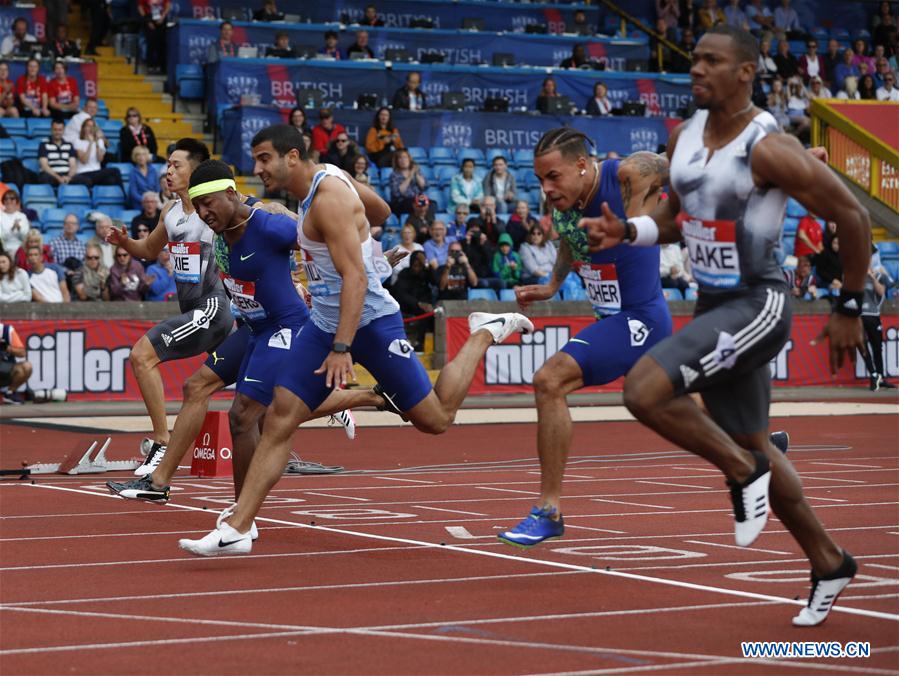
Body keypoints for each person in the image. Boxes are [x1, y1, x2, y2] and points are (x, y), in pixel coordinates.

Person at [578, 25, 865, 627]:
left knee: (644, 390)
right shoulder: (682, 138)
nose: (697, 69)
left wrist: (849, 305)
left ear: (746, 73)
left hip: (758, 302)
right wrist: (630, 231)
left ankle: (742, 471)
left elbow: (852, 214)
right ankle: (829, 559)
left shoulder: (769, 148)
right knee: (755, 437)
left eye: (713, 61)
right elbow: (680, 220)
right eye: (696, 60)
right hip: (714, 305)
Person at [178, 124, 533, 555]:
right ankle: (237, 527)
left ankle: (483, 332)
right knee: (279, 419)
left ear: (293, 157)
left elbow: (356, 277)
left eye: (265, 158)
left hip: (369, 323)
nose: (257, 168)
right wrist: (361, 236)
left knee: (435, 419)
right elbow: (380, 211)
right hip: (324, 322)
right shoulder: (324, 183)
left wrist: (343, 347)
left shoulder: (327, 199)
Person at [107, 160, 372, 504]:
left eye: (208, 205)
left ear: (229, 194)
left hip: (284, 327)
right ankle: (159, 484)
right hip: (251, 326)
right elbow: (154, 246)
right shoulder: (196, 218)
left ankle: (241, 513)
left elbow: (320, 238)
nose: (203, 214)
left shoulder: (264, 219)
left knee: (250, 414)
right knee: (198, 386)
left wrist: (345, 274)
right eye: (198, 207)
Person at [495, 130, 672, 550]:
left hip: (638, 320)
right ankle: (755, 445)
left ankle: (548, 511)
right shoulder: (563, 203)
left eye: (553, 177)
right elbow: (568, 243)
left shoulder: (628, 173)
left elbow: (688, 164)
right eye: (540, 181)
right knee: (686, 409)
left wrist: (772, 156)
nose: (546, 189)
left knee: (548, 380)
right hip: (613, 319)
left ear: (581, 164)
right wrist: (552, 285)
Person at [105, 138, 234, 473]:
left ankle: (161, 444)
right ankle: (331, 401)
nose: (169, 171)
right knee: (259, 381)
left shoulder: (212, 209)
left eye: (177, 165)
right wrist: (124, 242)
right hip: (194, 311)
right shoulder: (171, 211)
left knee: (141, 355)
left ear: (197, 170)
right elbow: (148, 250)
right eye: (168, 165)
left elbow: (254, 213)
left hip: (211, 310)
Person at [860, 251, 895, 391]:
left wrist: (872, 278)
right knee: (862, 346)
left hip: (873, 315)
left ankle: (880, 376)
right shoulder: (856, 277)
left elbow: (881, 292)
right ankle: (873, 375)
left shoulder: (879, 275)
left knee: (877, 347)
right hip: (860, 316)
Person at [72, 117, 122, 187]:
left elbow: (100, 159)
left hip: (97, 172)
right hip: (83, 173)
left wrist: (97, 143)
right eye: (88, 126)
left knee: (111, 181)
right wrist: (90, 143)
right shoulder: (78, 142)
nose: (90, 128)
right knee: (115, 170)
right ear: (83, 128)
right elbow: (84, 160)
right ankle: (124, 194)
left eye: (92, 126)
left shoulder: (99, 142)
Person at [38, 119, 79, 186]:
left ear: (63, 130)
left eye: (60, 130)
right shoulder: (44, 144)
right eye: (55, 129)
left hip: (66, 175)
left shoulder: (69, 145)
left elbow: (73, 165)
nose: (57, 132)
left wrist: (69, 177)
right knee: (44, 178)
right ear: (51, 130)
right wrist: (58, 177)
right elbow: (44, 166)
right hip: (51, 175)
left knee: (85, 180)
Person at [0, 321, 32, 404]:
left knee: (27, 367)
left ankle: (9, 393)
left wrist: (7, 348)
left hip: (5, 370)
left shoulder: (7, 330)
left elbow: (22, 353)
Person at [388, 148, 427, 215]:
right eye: (400, 158)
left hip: (417, 200)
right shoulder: (394, 175)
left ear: (409, 159)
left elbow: (423, 186)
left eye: (405, 157)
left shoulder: (416, 172)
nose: (403, 160)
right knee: (412, 203)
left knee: (432, 204)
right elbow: (399, 192)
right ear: (397, 161)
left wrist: (416, 173)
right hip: (401, 203)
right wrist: (410, 176)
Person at [137, 0, 171, 73]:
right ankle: (150, 66)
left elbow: (168, 5)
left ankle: (161, 66)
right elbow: (140, 7)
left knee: (161, 44)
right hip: (149, 18)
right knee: (151, 43)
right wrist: (147, 20)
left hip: (161, 18)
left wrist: (163, 17)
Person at [0, 190, 29, 257]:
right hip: (4, 249)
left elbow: (25, 237)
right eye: (6, 199)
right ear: (3, 201)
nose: (9, 201)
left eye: (12, 198)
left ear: (16, 201)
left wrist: (19, 228)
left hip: (21, 249)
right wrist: (12, 229)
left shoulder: (22, 216)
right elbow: (1, 237)